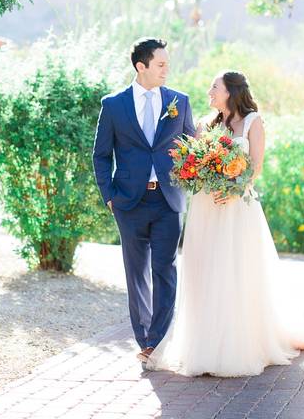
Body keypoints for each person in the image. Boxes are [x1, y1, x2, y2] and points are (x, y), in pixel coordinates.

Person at [147, 70, 304, 377]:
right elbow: (195, 161)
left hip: (236, 208)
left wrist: (231, 191)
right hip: (205, 208)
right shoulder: (205, 124)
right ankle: (203, 342)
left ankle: (237, 343)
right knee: (205, 271)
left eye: (214, 87)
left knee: (235, 271)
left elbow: (255, 166)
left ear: (230, 91)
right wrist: (195, 173)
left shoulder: (253, 121)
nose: (209, 91)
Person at [92, 38, 196, 363]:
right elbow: (100, 155)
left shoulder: (179, 100)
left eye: (167, 64)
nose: (167, 70)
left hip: (168, 200)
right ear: (142, 66)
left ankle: (157, 342)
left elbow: (191, 148)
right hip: (129, 202)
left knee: (165, 269)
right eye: (161, 64)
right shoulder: (113, 105)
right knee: (136, 272)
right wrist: (109, 196)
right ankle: (144, 338)